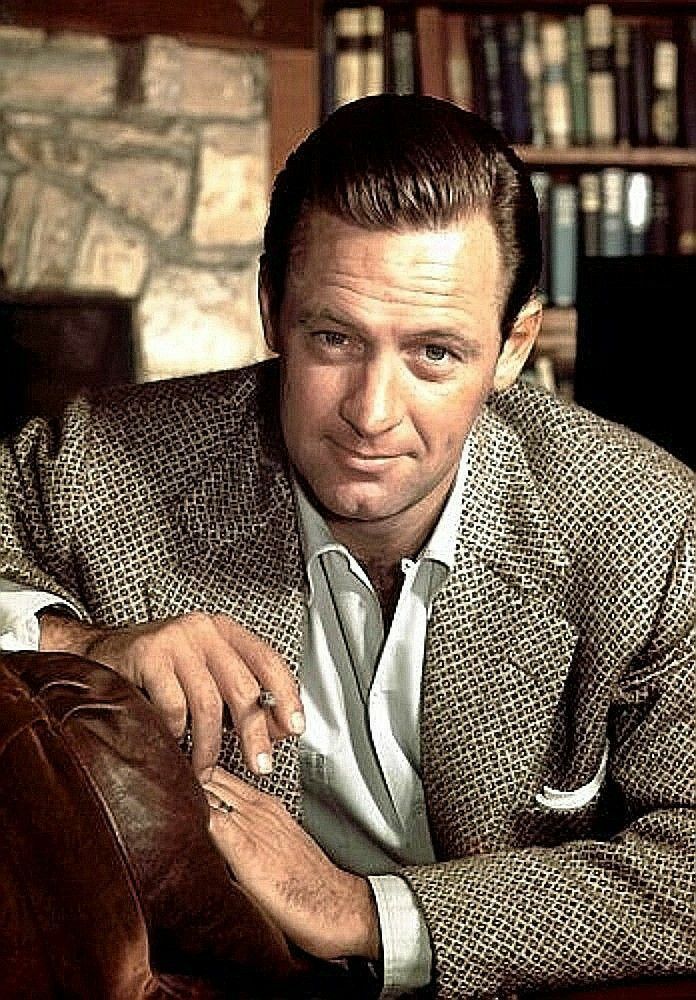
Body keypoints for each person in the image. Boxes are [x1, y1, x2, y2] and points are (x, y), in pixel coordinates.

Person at [0, 95, 694, 999]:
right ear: (270, 309)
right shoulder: (102, 463)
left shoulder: (644, 520)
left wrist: (366, 911)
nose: (371, 413)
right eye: (333, 338)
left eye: (435, 353)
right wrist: (83, 646)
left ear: (513, 346)